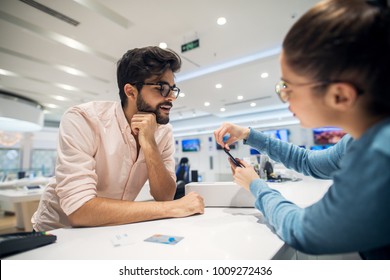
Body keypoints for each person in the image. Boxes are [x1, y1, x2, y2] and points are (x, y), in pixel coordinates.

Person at [214, 0, 390, 259]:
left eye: (288, 87)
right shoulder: (359, 139)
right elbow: (307, 161)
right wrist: (248, 134)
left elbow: (304, 231)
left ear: (339, 95)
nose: (284, 95)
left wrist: (257, 186)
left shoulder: (380, 156)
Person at [32, 46, 204, 231]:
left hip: (111, 229)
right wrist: (172, 208)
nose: (171, 97)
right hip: (57, 232)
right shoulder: (83, 119)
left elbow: (165, 195)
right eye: (161, 88)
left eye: (172, 89)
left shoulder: (163, 131)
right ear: (131, 92)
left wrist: (149, 142)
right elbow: (79, 209)